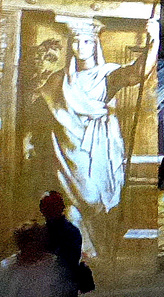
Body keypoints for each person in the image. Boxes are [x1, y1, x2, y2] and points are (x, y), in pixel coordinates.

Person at [28, 16, 150, 257]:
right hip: (65, 148)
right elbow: (39, 113)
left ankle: (97, 247)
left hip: (98, 145)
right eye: (75, 42)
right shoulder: (58, 79)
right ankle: (82, 250)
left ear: (95, 45)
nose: (80, 47)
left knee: (94, 197)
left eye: (86, 41)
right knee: (73, 202)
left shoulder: (107, 74)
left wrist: (154, 41)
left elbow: (137, 73)